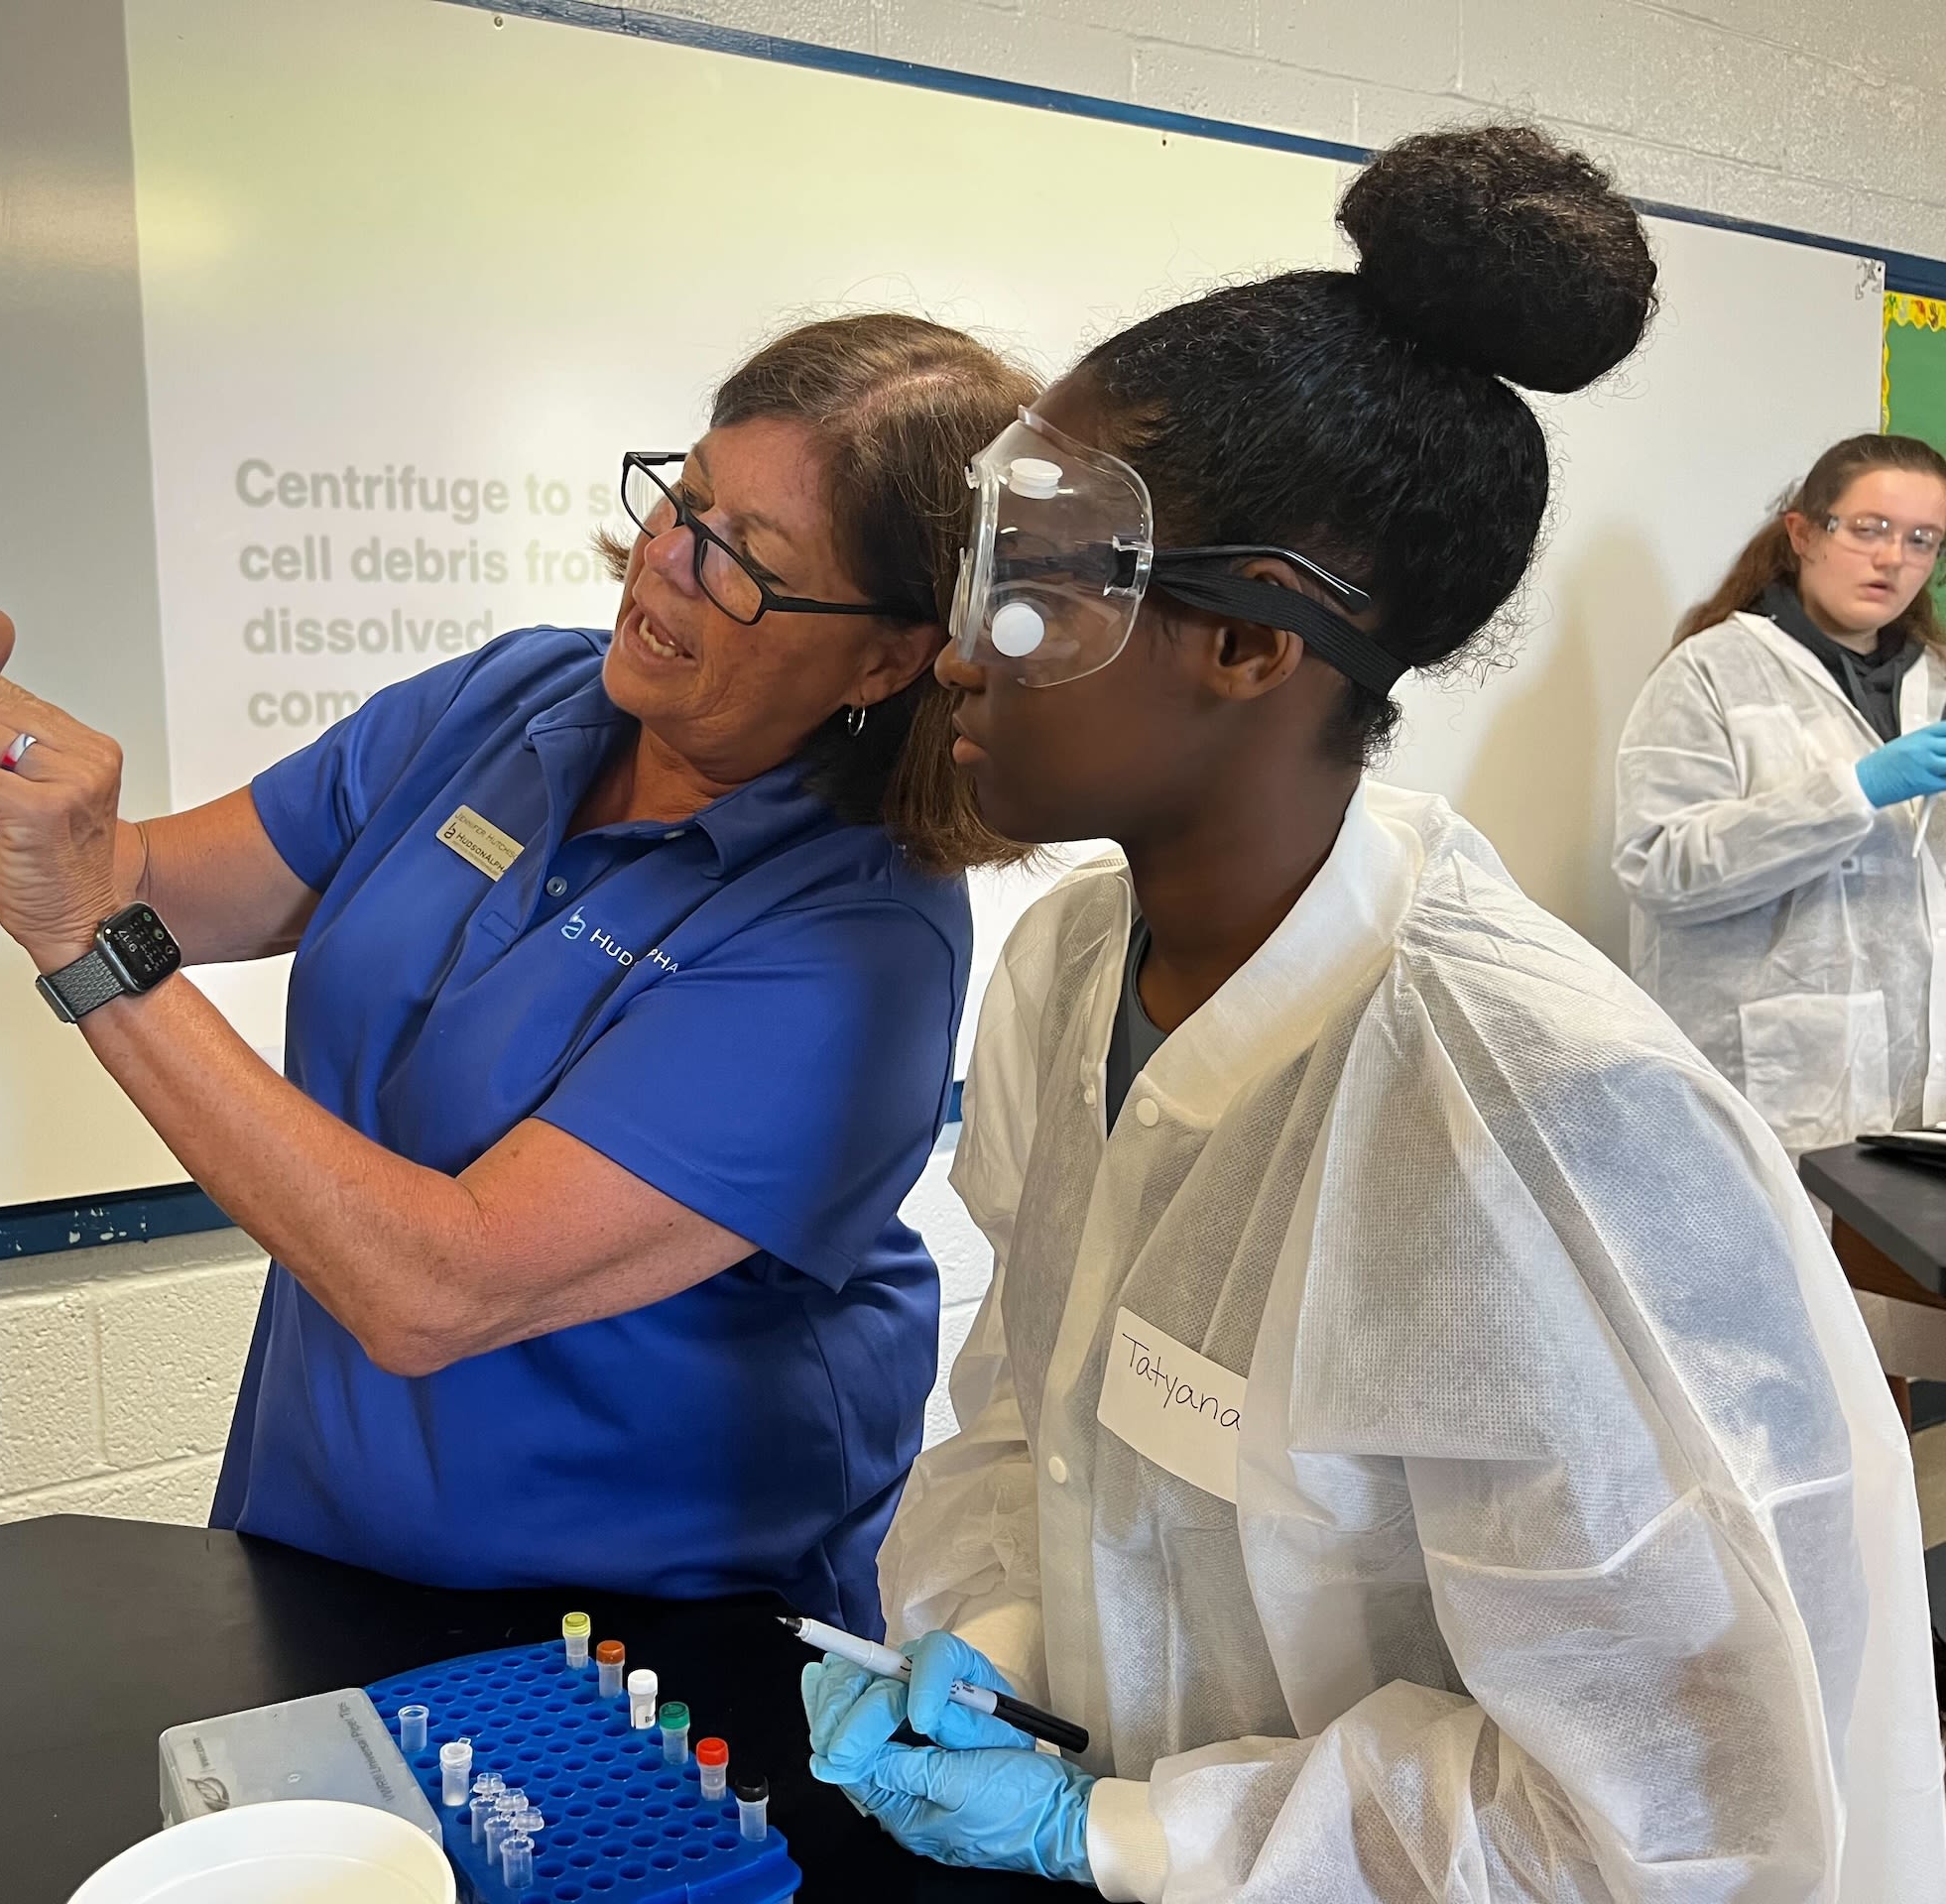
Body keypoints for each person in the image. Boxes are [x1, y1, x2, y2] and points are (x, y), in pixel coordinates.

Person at [802, 129, 1946, 1899]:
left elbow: (1664, 1826)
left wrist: (1113, 1832)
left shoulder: (1527, 1110)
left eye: (1041, 580)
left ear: (1256, 647)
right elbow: (1034, 1405)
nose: (963, 649)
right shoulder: (1064, 977)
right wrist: (1002, 1621)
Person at [0, 314, 1037, 1633]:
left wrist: (87, 939)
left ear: (890, 652)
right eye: (684, 499)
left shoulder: (854, 939)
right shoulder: (519, 700)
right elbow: (133, 884)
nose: (669, 564)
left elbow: (439, 1289)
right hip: (319, 1547)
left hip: (648, 1647)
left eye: (747, 558)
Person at [1615, 433, 1946, 1153]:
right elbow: (1659, 868)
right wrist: (1854, 791)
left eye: (1923, 540)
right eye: (1870, 529)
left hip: (1925, 1102)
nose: (1895, 558)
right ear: (1804, 533)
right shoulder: (1710, 674)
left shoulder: (1939, 684)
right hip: (1771, 1091)